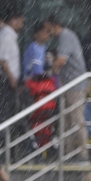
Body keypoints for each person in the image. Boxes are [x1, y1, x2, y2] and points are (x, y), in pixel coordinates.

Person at [47, 16, 91, 159]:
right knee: (66, 120)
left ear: (56, 25)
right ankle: (67, 152)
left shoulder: (66, 37)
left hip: (75, 84)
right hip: (68, 84)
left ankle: (84, 153)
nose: (48, 32)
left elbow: (61, 60)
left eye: (49, 29)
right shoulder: (62, 38)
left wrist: (49, 72)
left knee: (77, 118)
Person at [0, 12, 24, 136]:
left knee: (8, 113)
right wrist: (12, 78)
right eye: (20, 21)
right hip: (4, 81)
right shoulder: (6, 37)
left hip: (5, 80)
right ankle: (3, 144)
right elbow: (3, 61)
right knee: (4, 114)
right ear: (13, 20)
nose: (22, 25)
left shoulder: (7, 35)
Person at [23, 20, 57, 154]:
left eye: (48, 32)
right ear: (36, 34)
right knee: (36, 117)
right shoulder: (33, 48)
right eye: (44, 32)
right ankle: (37, 144)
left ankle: (46, 142)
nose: (47, 35)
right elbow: (37, 71)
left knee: (45, 117)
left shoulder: (45, 49)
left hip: (44, 87)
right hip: (35, 86)